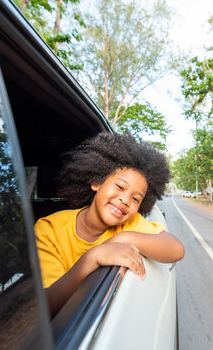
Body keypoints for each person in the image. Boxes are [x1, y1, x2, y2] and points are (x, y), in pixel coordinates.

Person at [34, 132, 184, 316]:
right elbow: (45, 305)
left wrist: (123, 237)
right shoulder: (49, 229)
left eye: (136, 199)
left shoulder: (129, 224)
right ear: (97, 182)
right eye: (120, 187)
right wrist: (92, 257)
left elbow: (176, 250)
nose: (125, 200)